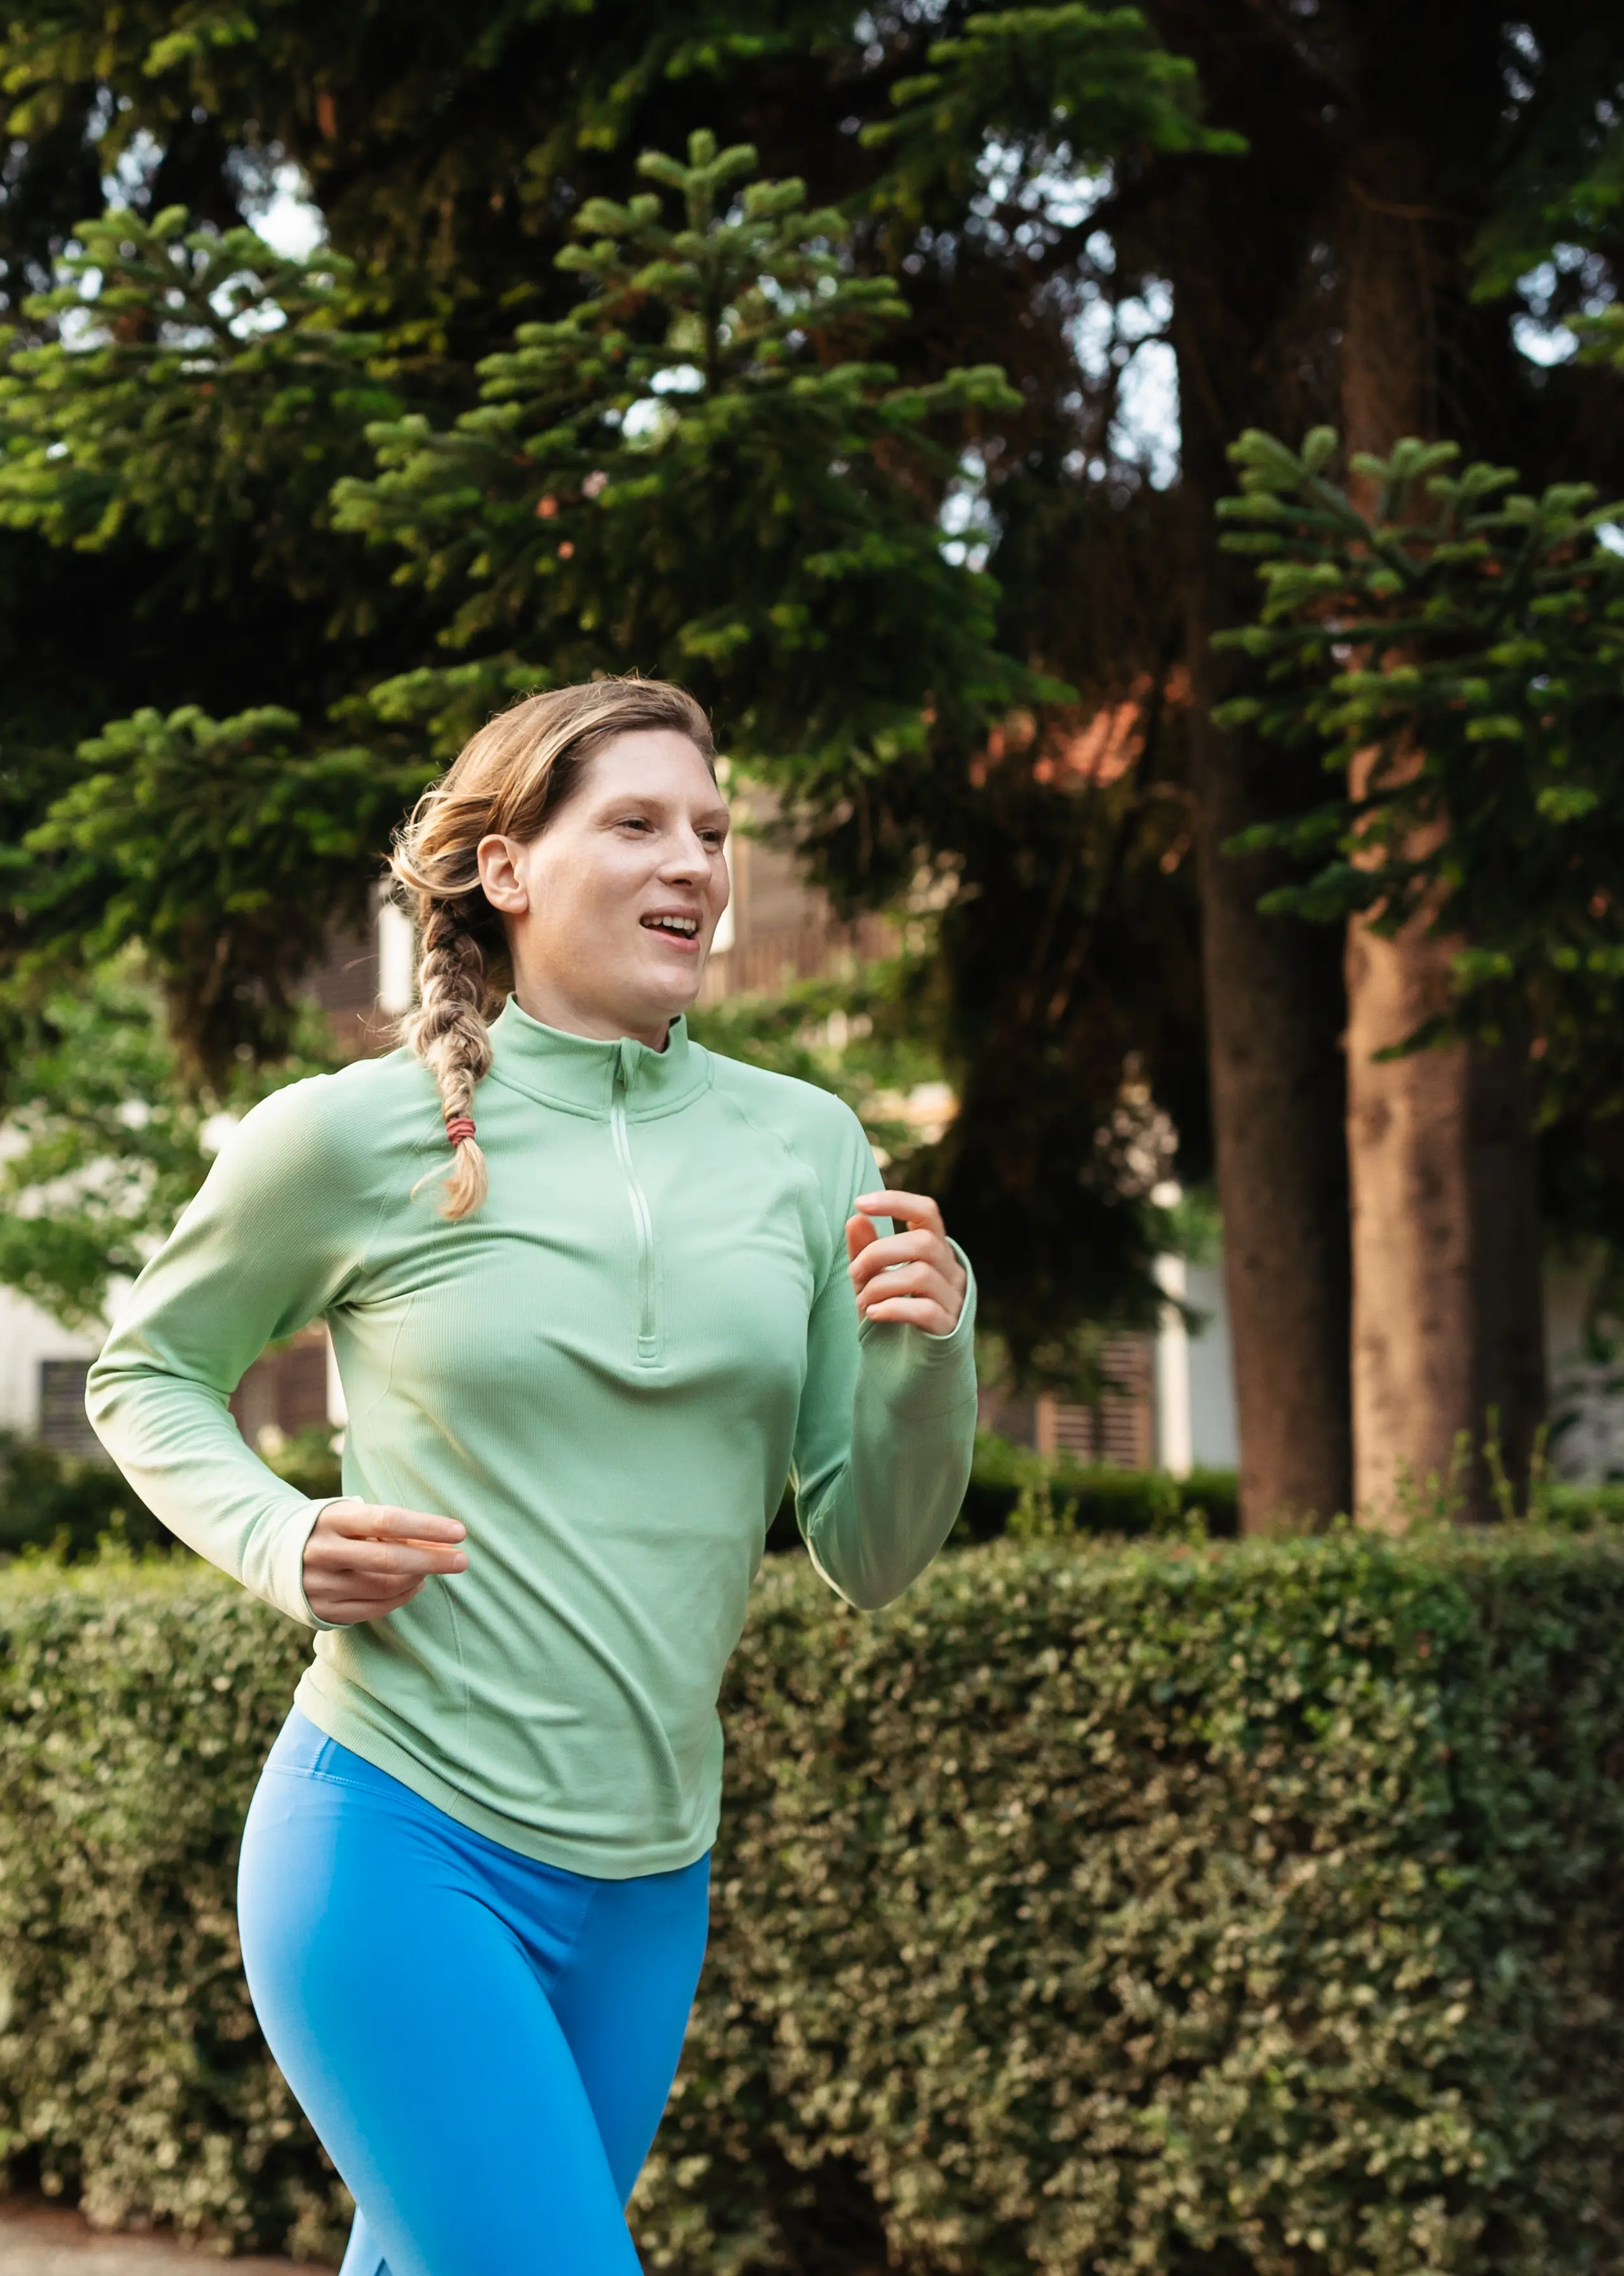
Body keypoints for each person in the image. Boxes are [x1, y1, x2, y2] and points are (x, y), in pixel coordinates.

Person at [87, 677, 977, 2274]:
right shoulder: (355, 1133)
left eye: (711, 831)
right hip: (393, 1838)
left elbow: (876, 1550)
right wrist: (279, 1538)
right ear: (507, 869)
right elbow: (146, 1373)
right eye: (635, 823)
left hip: (650, 1877)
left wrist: (926, 1357)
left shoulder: (809, 1146)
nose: (694, 863)